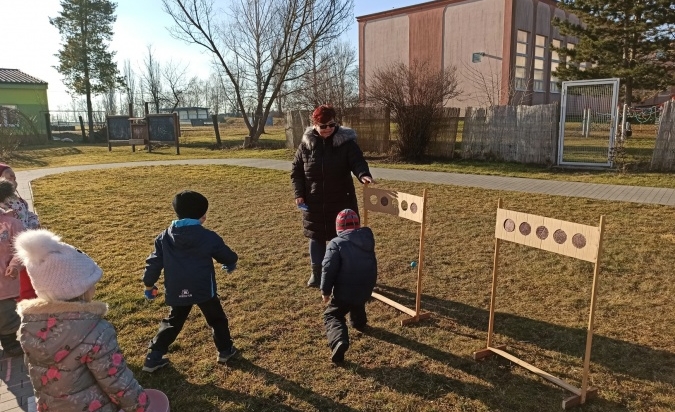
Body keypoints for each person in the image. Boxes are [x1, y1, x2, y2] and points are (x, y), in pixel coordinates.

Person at [14, 229, 155, 411]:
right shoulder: (95, 331)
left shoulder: (29, 327)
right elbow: (117, 380)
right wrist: (141, 405)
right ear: (80, 289)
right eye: (92, 283)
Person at [142, 190, 239, 373]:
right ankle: (225, 350)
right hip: (204, 289)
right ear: (203, 216)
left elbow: (154, 262)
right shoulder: (208, 236)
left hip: (177, 288)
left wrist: (149, 284)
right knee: (216, 319)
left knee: (173, 322)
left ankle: (153, 356)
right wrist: (231, 262)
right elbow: (226, 255)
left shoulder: (164, 237)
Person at [291, 104, 374, 288]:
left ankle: (346, 272)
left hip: (341, 199)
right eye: (323, 126)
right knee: (317, 237)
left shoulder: (346, 143)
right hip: (315, 202)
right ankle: (317, 273)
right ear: (315, 125)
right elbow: (296, 172)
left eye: (331, 125)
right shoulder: (305, 146)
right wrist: (299, 195)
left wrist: (363, 174)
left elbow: (357, 161)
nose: (328, 129)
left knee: (345, 239)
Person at [321, 209, 377, 363]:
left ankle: (339, 341)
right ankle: (359, 322)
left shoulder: (336, 244)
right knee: (357, 300)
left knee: (332, 314)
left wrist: (325, 290)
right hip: (366, 287)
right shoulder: (367, 238)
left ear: (338, 227)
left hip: (344, 292)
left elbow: (328, 268)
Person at [0, 163, 40, 301]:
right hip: (13, 240)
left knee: (29, 266)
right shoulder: (3, 202)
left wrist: (34, 222)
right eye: (8, 175)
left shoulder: (18, 200)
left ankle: (32, 294)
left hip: (27, 237)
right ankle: (23, 297)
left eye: (14, 176)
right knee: (18, 267)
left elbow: (27, 214)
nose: (13, 177)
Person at [0, 180, 25, 357]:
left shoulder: (11, 224)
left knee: (7, 316)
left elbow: (22, 249)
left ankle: (9, 342)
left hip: (4, 285)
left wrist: (15, 265)